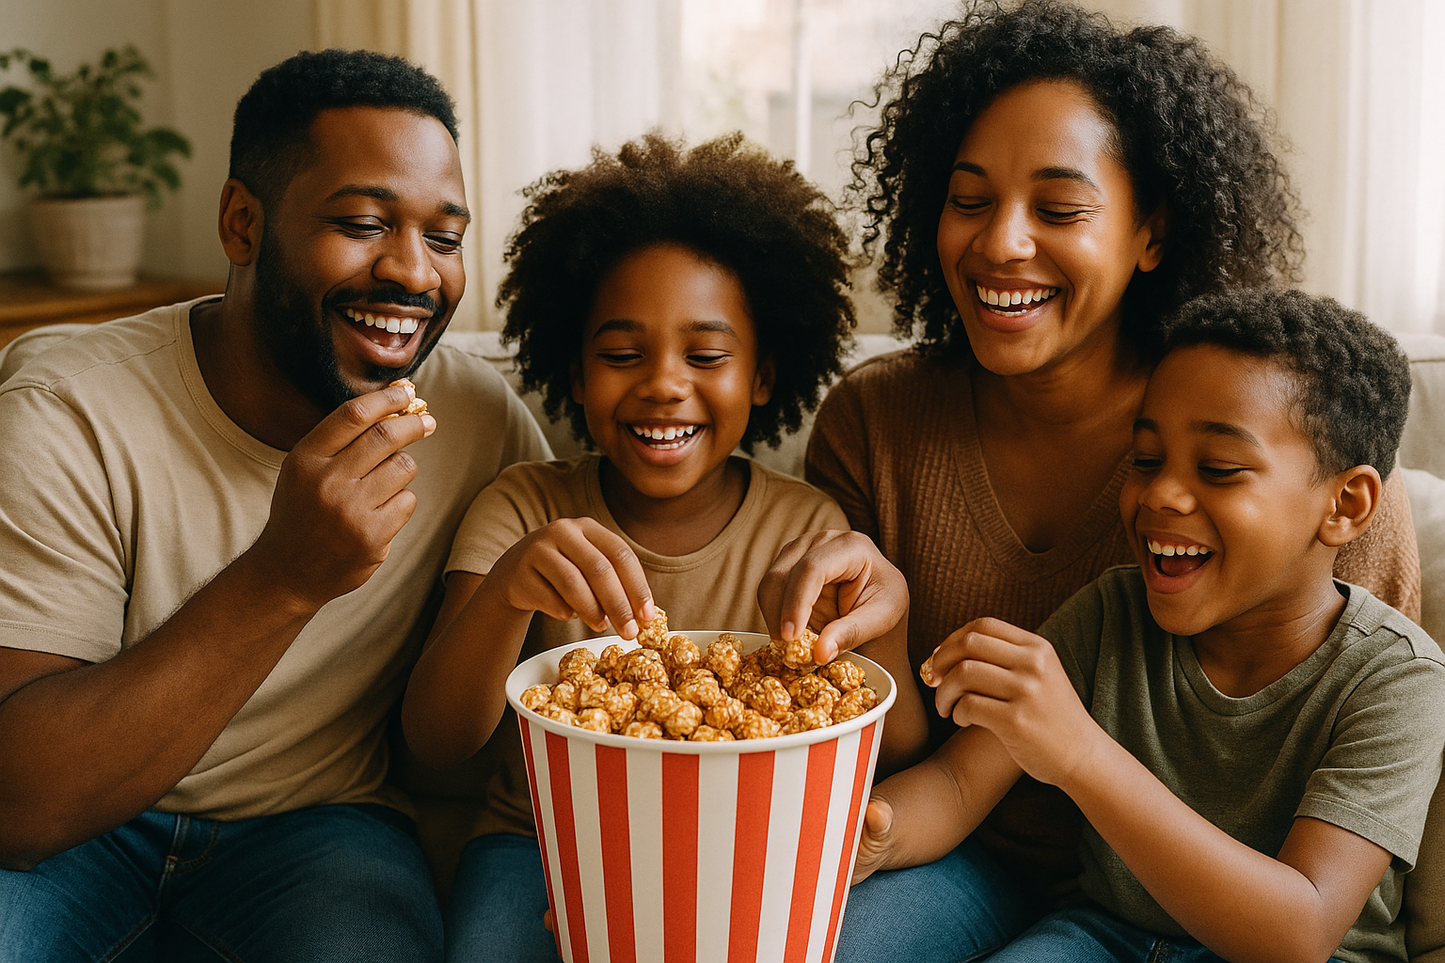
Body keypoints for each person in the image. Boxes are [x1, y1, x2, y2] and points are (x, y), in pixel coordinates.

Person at [761, 1, 1423, 959]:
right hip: (1000, 875)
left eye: (1060, 208)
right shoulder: (878, 424)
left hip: (1225, 898)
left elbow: (1373, 782)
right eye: (969, 198)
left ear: (1150, 231)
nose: (1000, 244)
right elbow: (910, 772)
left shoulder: (1308, 464)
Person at [0, 49, 551, 962]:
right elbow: (19, 806)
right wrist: (285, 576)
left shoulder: (481, 420)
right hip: (81, 829)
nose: (414, 274)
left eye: (445, 238)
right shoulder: (70, 405)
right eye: (365, 222)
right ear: (242, 222)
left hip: (321, 830)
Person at [400, 131, 926, 963]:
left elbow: (884, 753)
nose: (663, 382)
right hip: (535, 845)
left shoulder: (808, 531)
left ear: (762, 376)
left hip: (743, 852)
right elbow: (435, 742)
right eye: (620, 354)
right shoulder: (525, 507)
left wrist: (882, 627)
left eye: (706, 354)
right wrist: (507, 590)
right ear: (573, 372)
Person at [853, 287, 1445, 963]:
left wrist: (1079, 754)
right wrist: (872, 832)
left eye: (1218, 468)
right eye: (1144, 459)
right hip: (1101, 933)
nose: (1159, 493)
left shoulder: (1398, 679)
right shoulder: (1108, 613)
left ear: (1345, 503)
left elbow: (1298, 930)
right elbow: (958, 784)